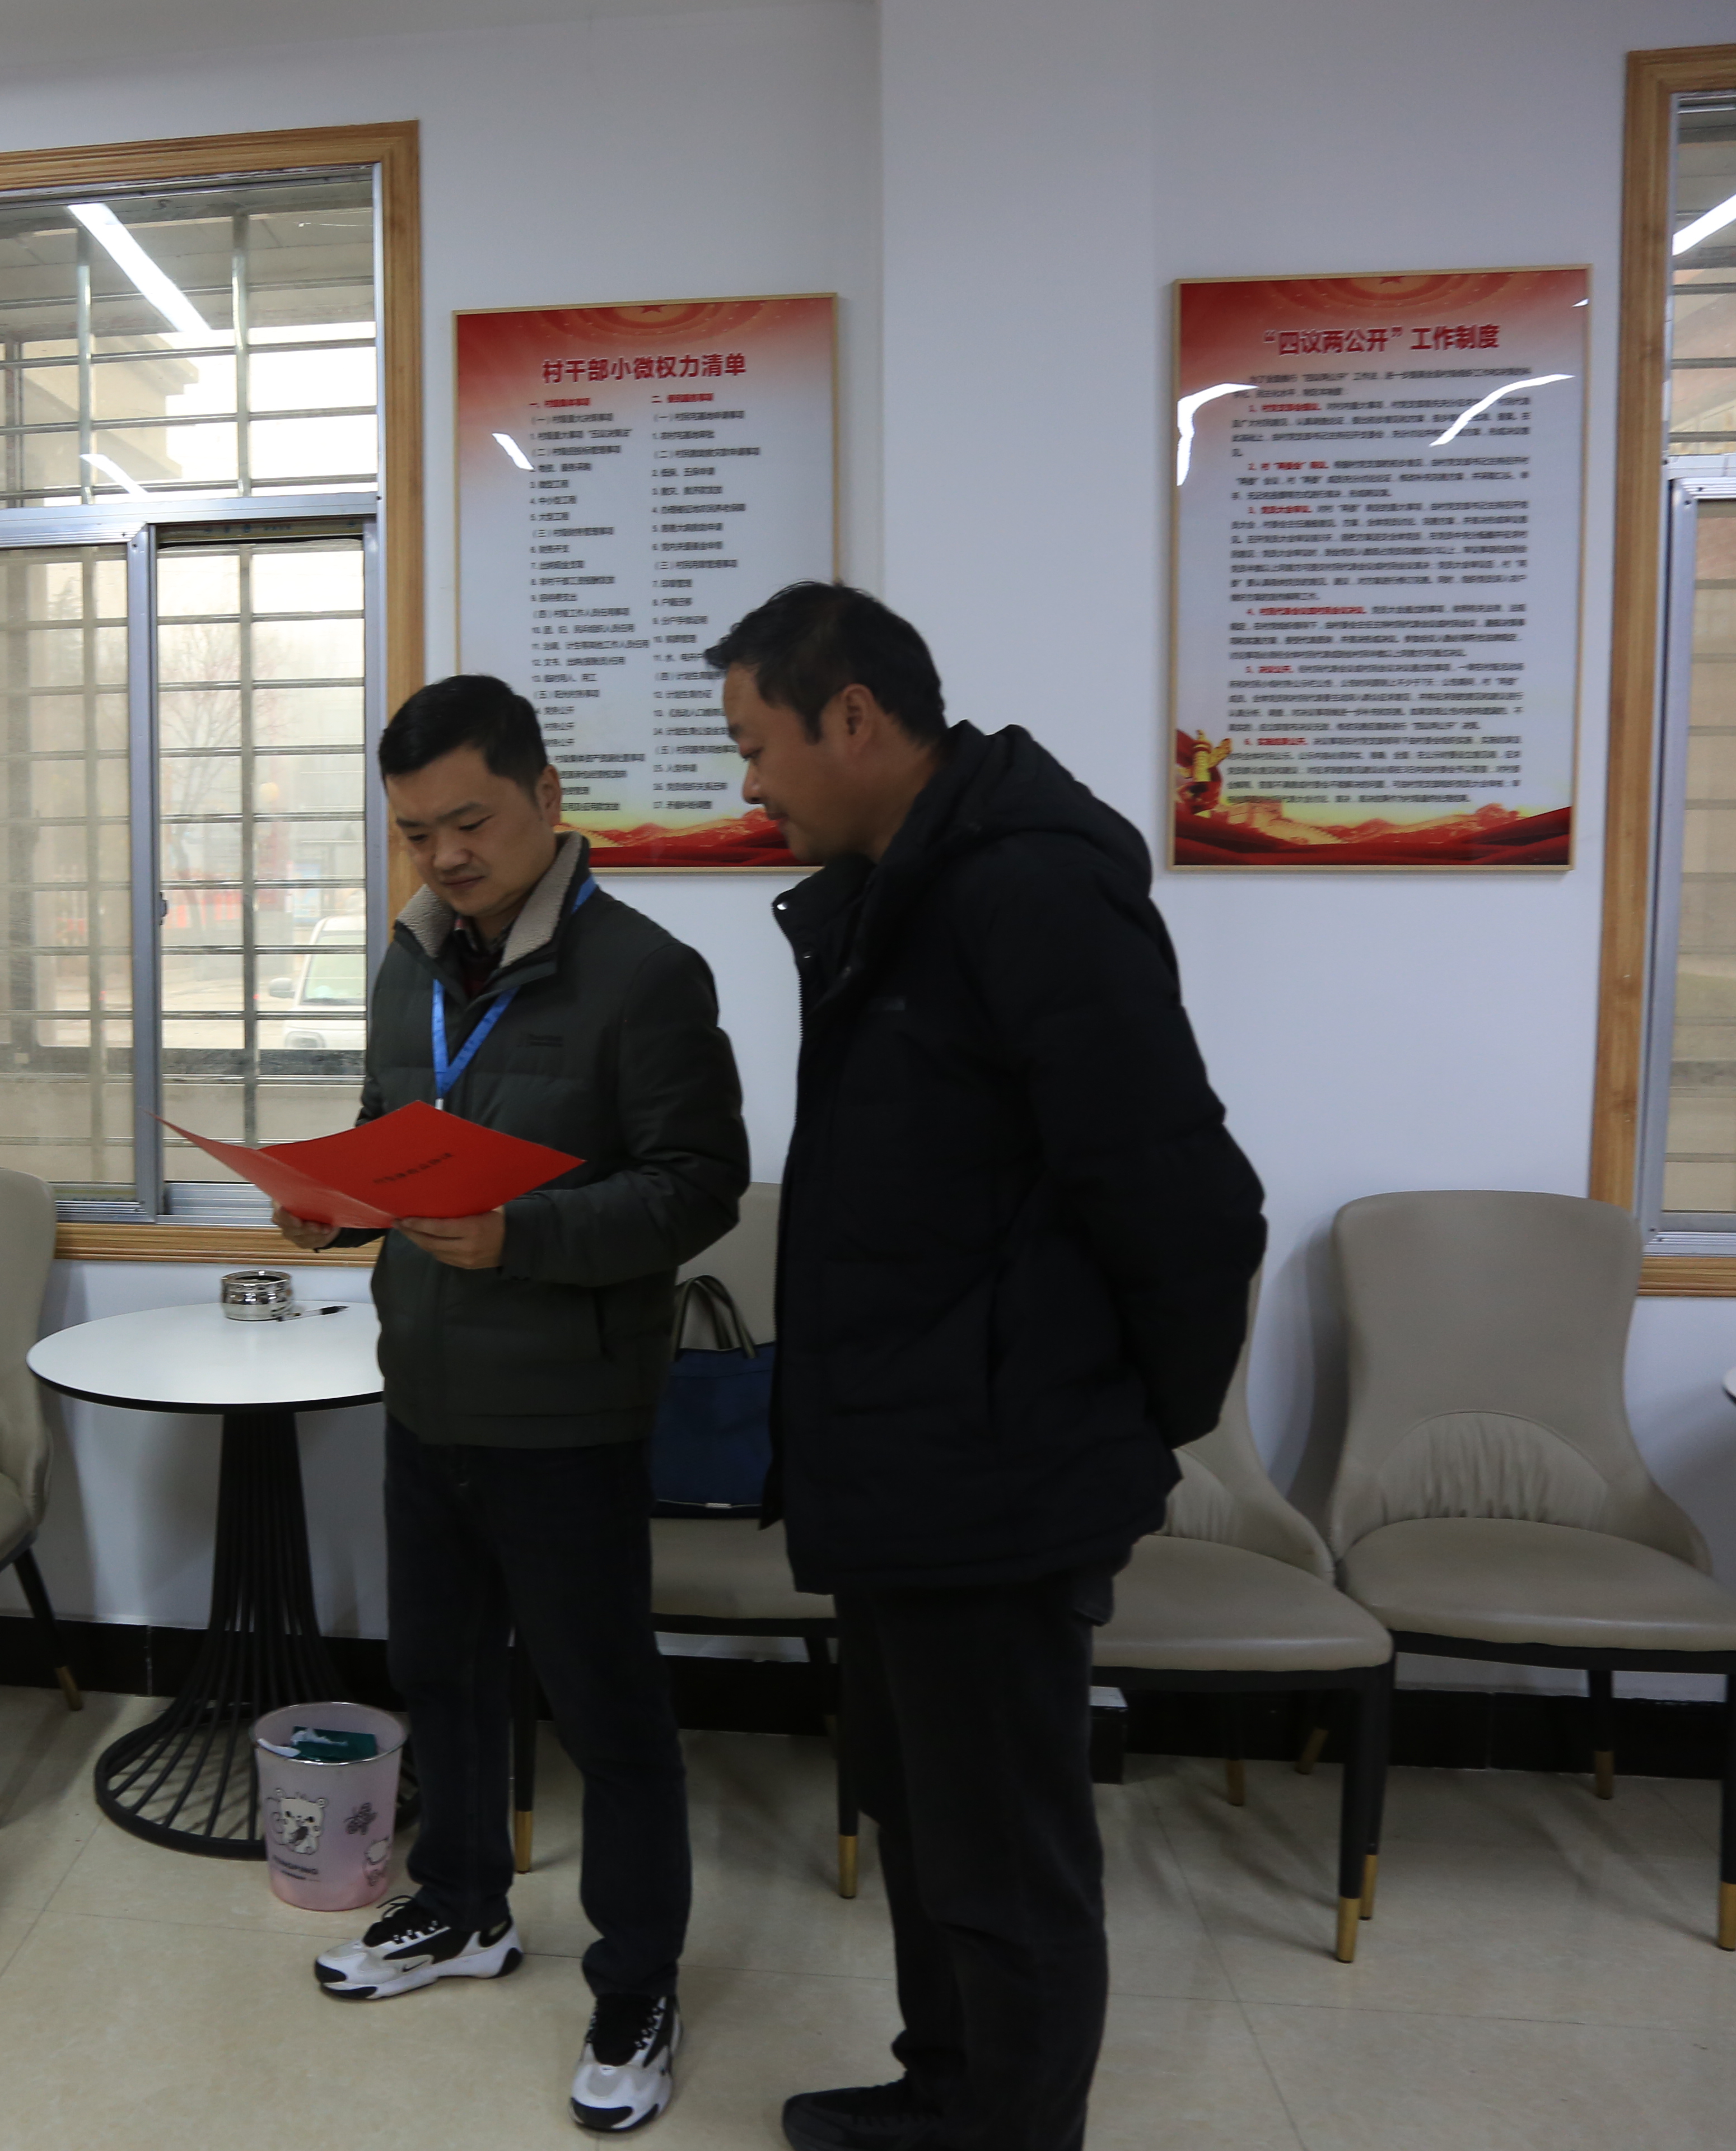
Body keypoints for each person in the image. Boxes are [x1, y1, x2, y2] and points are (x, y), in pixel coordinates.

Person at [715, 583, 1264, 2151]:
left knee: (1008, 1857)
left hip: (994, 1482)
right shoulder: (902, 890)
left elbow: (1188, 1202)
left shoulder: (1029, 891)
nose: (748, 783)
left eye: (756, 744)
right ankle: (944, 2096)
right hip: (907, 1469)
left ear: (854, 719)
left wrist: (1126, 1426)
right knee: (923, 1816)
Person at [274, 674, 746, 2136]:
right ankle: (462, 1905)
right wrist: (331, 1204)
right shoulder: (409, 964)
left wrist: (524, 1236)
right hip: (425, 1391)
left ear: (547, 797)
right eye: (417, 832)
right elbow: (396, 1143)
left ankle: (638, 1978)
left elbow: (699, 1189)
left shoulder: (647, 975)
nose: (447, 856)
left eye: (470, 822)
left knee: (607, 1714)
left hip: (570, 1415)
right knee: (442, 1673)